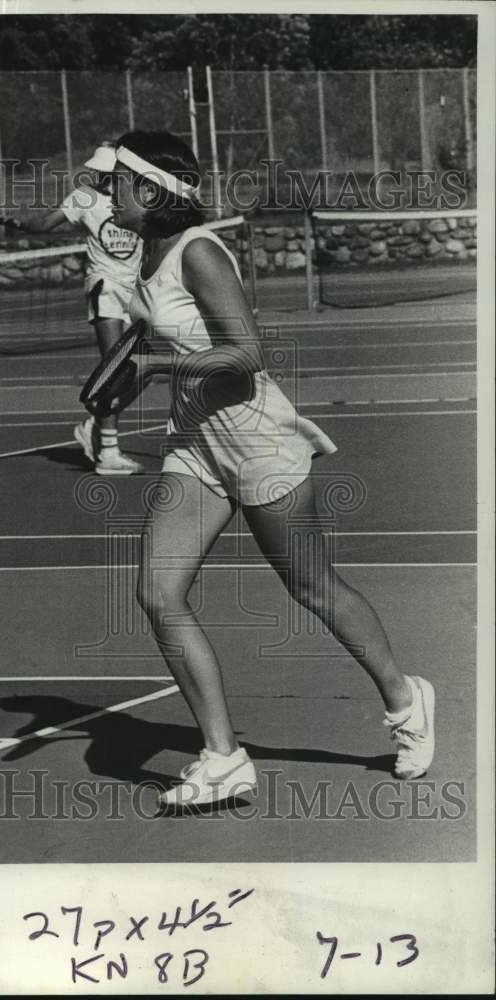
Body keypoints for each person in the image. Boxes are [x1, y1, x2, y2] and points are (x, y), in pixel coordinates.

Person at [108, 130, 436, 809]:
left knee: (313, 590)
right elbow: (162, 339)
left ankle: (407, 703)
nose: (104, 190)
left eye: (115, 179)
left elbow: (248, 354)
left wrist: (157, 367)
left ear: (148, 191)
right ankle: (223, 756)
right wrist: (122, 381)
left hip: (257, 440)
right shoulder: (147, 253)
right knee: (158, 594)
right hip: (196, 441)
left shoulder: (198, 251)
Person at [0, 142, 143, 475]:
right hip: (104, 288)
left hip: (135, 290)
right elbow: (46, 223)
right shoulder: (84, 197)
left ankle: (97, 420)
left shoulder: (134, 198)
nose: (98, 175)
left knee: (143, 366)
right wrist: (19, 224)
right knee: (114, 368)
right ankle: (109, 451)